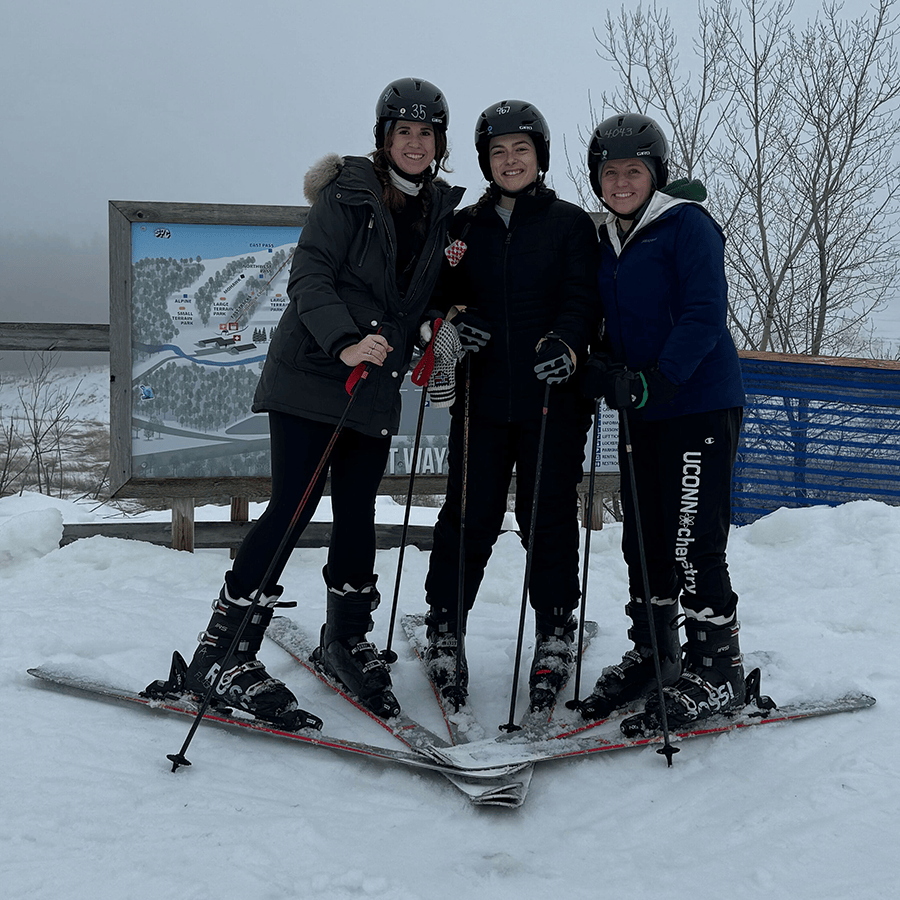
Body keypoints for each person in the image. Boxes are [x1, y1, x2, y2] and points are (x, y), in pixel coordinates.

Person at [181, 78, 464, 724]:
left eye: (426, 133)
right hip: (315, 372)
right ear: (384, 139)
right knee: (294, 505)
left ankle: (346, 638)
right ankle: (222, 653)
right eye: (403, 132)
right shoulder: (349, 193)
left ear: (439, 144)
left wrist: (429, 329)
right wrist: (344, 341)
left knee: (360, 509)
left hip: (374, 384)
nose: (414, 143)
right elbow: (310, 273)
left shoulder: (441, 212)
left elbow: (422, 299)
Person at [420, 100, 599, 710]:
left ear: (540, 156)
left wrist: (569, 345)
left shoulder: (572, 225)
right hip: (481, 399)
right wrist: (452, 326)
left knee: (545, 514)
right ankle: (445, 623)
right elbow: (438, 300)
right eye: (498, 151)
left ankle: (554, 627)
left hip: (553, 396)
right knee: (469, 512)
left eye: (521, 149)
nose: (510, 160)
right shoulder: (462, 228)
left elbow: (582, 300)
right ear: (485, 161)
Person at [578, 112, 747, 731]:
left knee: (691, 536)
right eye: (610, 171)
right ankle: (656, 652)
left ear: (656, 174)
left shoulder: (686, 226)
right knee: (642, 535)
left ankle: (716, 665)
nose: (621, 182)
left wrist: (660, 378)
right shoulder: (609, 239)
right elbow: (608, 319)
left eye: (633, 170)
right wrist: (600, 365)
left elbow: (706, 312)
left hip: (695, 400)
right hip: (641, 407)